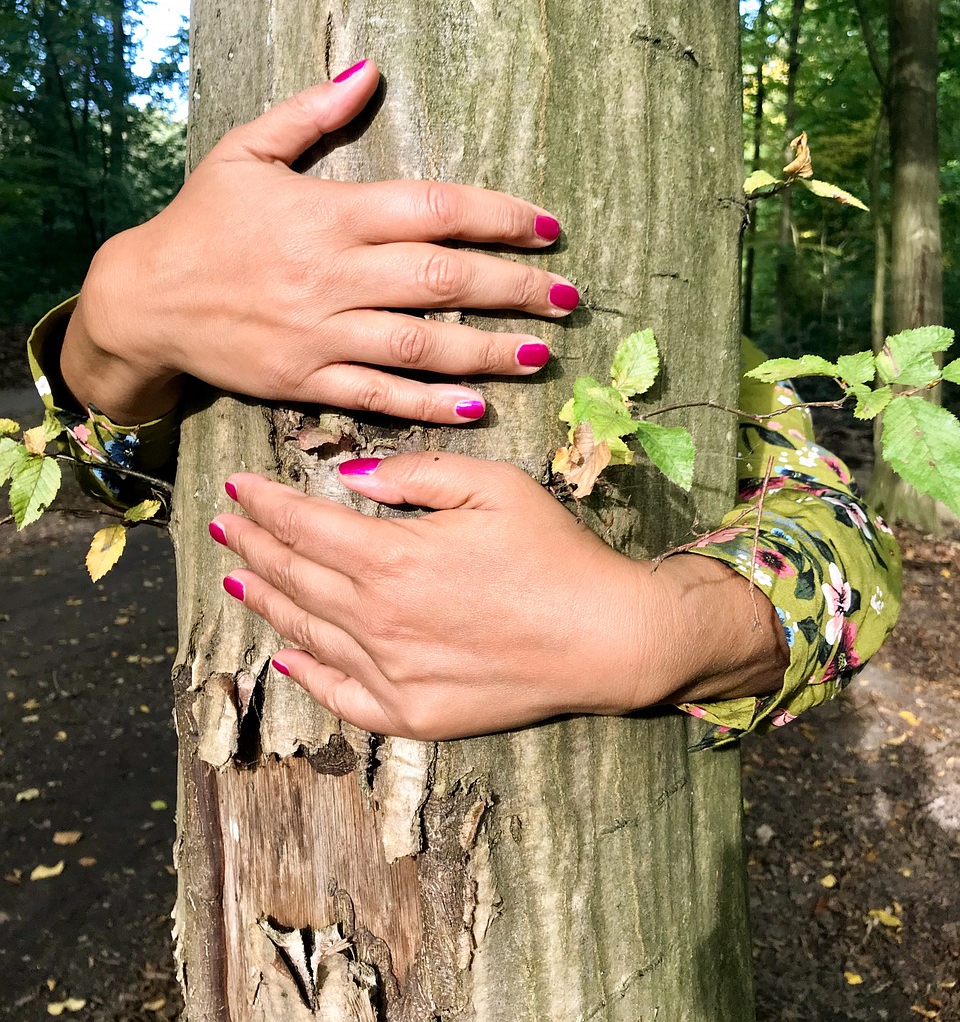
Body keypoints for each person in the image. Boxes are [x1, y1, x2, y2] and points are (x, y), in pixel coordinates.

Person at [27, 60, 900, 745]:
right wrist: (113, 328)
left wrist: (664, 638)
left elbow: (848, 536)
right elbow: (125, 482)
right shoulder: (218, 231)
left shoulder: (703, 345)